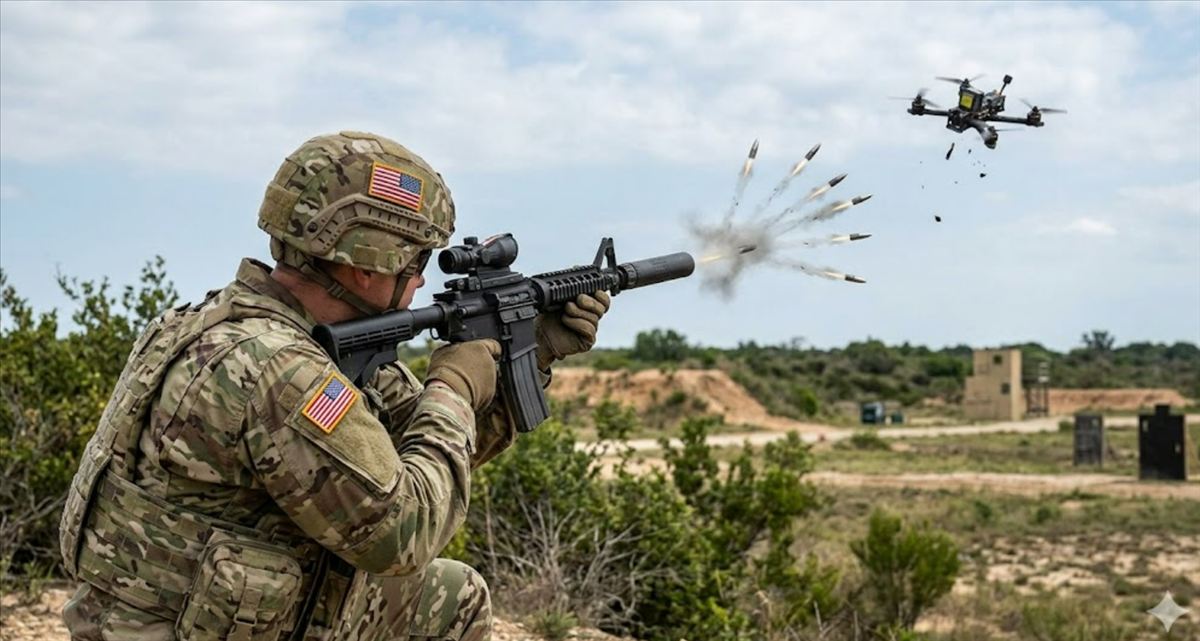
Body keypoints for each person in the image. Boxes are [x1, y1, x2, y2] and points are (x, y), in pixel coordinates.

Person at [58, 131, 611, 641]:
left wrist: (534, 351)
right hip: (182, 628)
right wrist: (453, 387)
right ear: (367, 266)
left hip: (191, 613)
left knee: (452, 596)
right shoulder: (282, 370)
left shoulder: (231, 324)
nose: (423, 278)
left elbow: (423, 458)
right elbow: (405, 533)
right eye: (416, 259)